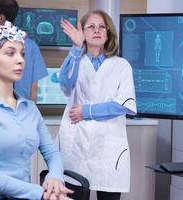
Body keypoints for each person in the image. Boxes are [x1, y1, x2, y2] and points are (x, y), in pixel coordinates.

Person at [0, 21, 73, 200]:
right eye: (10, 53)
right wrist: (42, 194)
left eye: (22, 54)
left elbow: (53, 154)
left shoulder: (30, 108)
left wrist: (55, 177)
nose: (20, 59)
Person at [58, 10, 137, 200]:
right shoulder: (75, 60)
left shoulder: (121, 65)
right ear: (82, 33)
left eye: (102, 26)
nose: (97, 30)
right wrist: (77, 49)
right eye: (91, 27)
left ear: (108, 33)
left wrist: (87, 111)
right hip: (75, 145)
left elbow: (124, 104)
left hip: (107, 148)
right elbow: (66, 84)